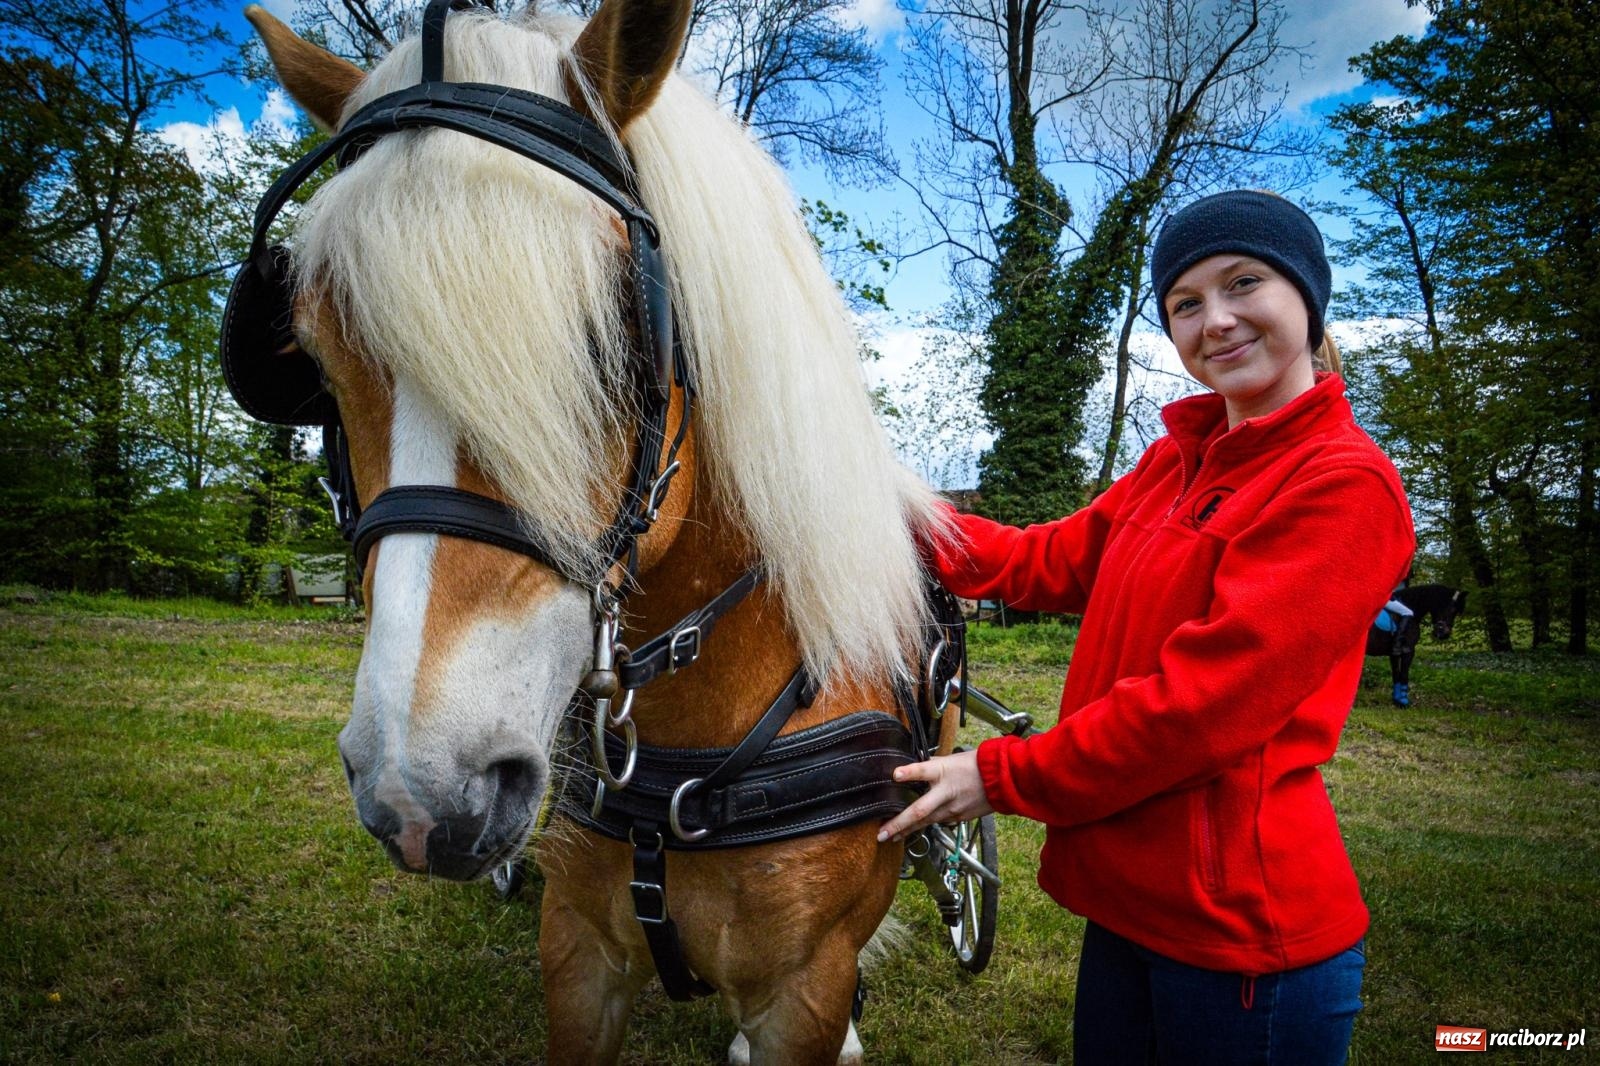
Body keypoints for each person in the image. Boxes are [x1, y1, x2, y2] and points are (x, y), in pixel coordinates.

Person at [880, 190, 1414, 1064]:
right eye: (1185, 303)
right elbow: (1045, 561)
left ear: (1308, 296)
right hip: (1129, 911)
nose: (1217, 320)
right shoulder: (1175, 461)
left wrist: (1003, 774)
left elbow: (1198, 709)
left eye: (1244, 283)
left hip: (1240, 943)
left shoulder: (1343, 483)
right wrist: (884, 509)